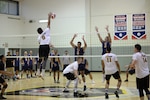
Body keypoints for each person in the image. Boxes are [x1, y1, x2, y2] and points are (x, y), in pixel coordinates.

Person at [37, 12, 53, 79]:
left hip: (41, 46)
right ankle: (43, 73)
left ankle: (38, 71)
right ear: (42, 30)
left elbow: (38, 42)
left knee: (40, 59)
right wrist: (49, 17)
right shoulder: (46, 30)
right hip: (46, 46)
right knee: (45, 60)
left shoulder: (39, 36)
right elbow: (49, 23)